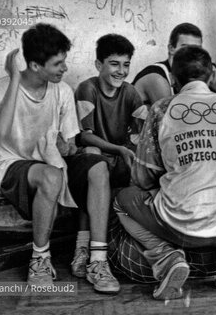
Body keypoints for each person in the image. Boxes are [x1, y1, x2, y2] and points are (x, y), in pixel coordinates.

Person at [114, 45, 216, 299]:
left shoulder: (161, 109)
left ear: (173, 79)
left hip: (185, 227)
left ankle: (167, 259)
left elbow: (142, 175)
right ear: (211, 77)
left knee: (122, 201)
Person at [0, 23, 120, 292]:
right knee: (51, 176)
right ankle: (40, 258)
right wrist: (14, 78)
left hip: (52, 163)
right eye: (58, 63)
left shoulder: (62, 91)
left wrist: (64, 147)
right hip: (13, 165)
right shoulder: (5, 87)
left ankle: (97, 260)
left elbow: (69, 146)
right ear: (35, 65)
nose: (65, 68)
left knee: (98, 168)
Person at [71, 34, 145, 280]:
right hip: (92, 158)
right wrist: (119, 150)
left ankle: (135, 246)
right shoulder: (87, 89)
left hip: (117, 156)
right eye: (114, 63)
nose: (121, 71)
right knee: (95, 162)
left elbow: (140, 135)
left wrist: (130, 152)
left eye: (126, 65)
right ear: (98, 65)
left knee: (141, 166)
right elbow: (85, 137)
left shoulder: (131, 92)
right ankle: (83, 248)